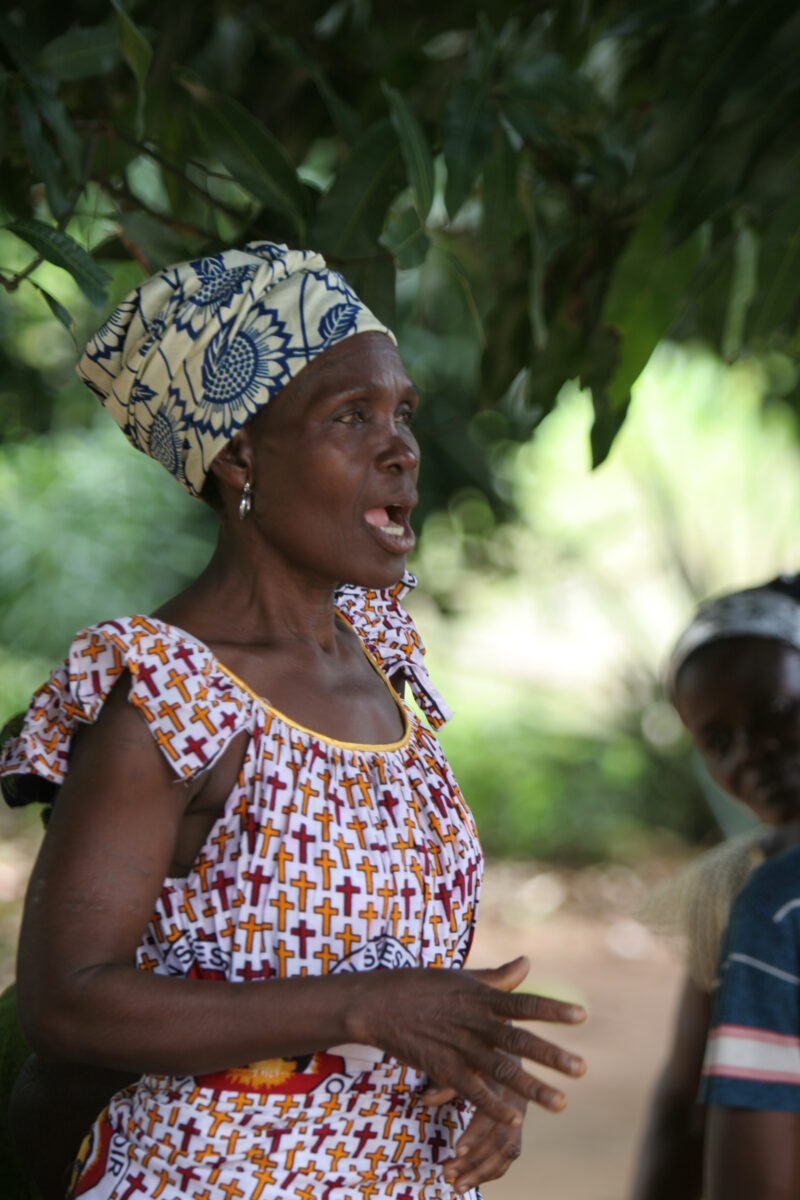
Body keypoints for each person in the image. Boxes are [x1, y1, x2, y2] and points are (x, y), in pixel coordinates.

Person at [0, 242, 586, 1200]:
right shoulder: (168, 693)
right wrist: (366, 1008)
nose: (398, 451)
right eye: (351, 417)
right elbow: (67, 1003)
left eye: (402, 415)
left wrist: (463, 1061)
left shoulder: (383, 661)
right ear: (238, 455)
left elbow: (381, 964)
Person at [631, 577, 800, 1200]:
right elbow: (685, 1094)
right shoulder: (731, 887)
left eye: (780, 713)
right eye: (720, 741)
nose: (755, 752)